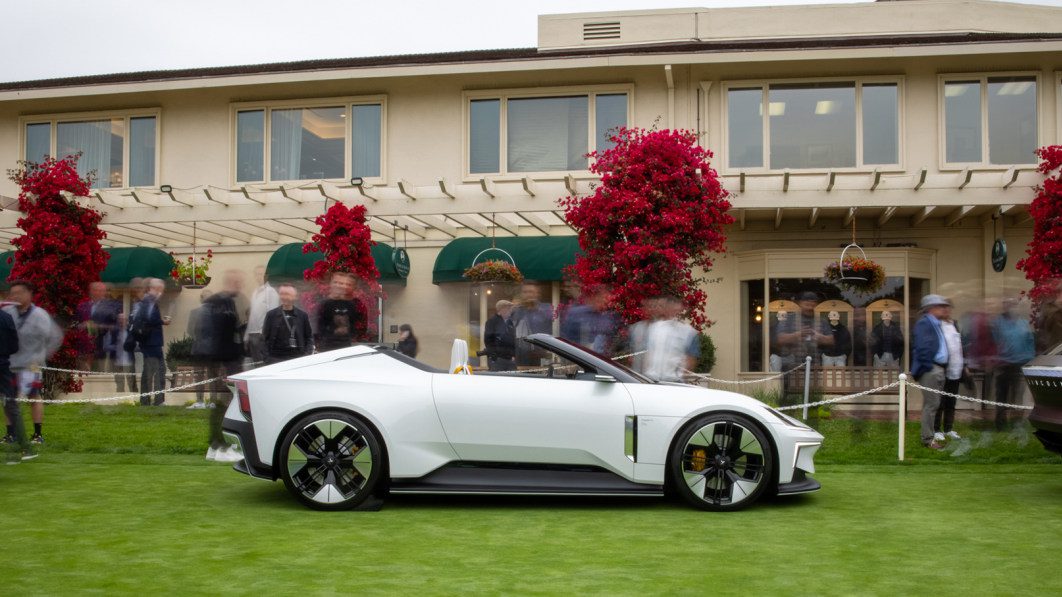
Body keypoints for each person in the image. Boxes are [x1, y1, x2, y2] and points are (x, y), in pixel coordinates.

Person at [2, 281, 62, 445]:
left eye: (20, 292)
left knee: (33, 397)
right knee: (9, 399)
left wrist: (41, 356)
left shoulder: (40, 315)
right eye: (13, 293)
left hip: (32, 365)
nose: (16, 296)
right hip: (10, 364)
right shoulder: (7, 313)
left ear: (30, 293)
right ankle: (10, 434)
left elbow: (55, 337)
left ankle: (37, 434)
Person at [194, 273, 244, 462]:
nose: (239, 285)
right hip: (221, 360)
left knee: (227, 403)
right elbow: (210, 334)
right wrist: (219, 363)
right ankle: (217, 445)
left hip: (228, 360)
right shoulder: (217, 303)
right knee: (223, 404)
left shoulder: (229, 303)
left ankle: (219, 444)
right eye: (237, 281)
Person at [911, 294, 952, 450]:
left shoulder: (936, 324)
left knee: (933, 404)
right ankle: (928, 439)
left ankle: (930, 436)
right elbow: (922, 348)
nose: (944, 309)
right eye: (941, 306)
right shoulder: (924, 323)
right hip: (931, 369)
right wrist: (929, 366)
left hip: (938, 368)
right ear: (932, 308)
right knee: (932, 404)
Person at [991, 297, 1035, 431]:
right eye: (1008, 304)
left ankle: (1017, 423)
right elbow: (994, 343)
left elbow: (1029, 342)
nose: (1011, 307)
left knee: (1018, 396)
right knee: (1001, 395)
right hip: (1003, 365)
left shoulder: (1023, 323)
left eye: (1014, 304)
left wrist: (1030, 360)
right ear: (1004, 306)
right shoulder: (997, 322)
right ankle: (1000, 423)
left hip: (1019, 365)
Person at [642, 295, 700, 382]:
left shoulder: (688, 332)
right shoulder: (653, 328)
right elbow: (647, 354)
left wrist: (681, 378)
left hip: (674, 382)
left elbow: (691, 360)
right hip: (651, 380)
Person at [131, 278, 170, 406]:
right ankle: (154, 401)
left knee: (154, 371)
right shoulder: (149, 301)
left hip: (151, 342)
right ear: (155, 288)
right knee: (155, 371)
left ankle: (149, 400)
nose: (161, 292)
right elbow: (148, 318)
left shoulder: (148, 301)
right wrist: (162, 321)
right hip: (151, 342)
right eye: (161, 289)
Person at [934, 310, 968, 442]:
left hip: (956, 368)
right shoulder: (937, 325)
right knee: (940, 402)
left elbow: (959, 345)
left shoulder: (955, 324)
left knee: (951, 402)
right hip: (943, 370)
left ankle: (948, 428)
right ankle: (936, 429)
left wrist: (964, 365)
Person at [262, 283, 313, 364]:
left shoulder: (302, 316)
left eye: (287, 294)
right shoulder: (271, 315)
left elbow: (309, 338)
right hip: (275, 359)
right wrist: (268, 359)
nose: (284, 297)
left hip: (297, 360)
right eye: (281, 294)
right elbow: (264, 339)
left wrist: (306, 357)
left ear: (295, 297)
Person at [0, 306, 27, 461]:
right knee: (11, 406)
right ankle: (24, 445)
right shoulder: (6, 318)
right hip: (4, 366)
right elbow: (14, 346)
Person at [316, 272, 367, 352]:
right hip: (327, 347)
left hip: (347, 346)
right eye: (337, 283)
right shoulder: (325, 304)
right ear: (331, 284)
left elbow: (360, 327)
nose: (341, 286)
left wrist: (350, 334)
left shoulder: (353, 305)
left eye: (346, 284)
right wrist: (333, 331)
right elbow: (319, 327)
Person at [560, 287, 619, 355]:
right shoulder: (576, 314)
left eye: (606, 299)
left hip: (599, 360)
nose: (605, 302)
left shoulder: (607, 317)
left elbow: (612, 340)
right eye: (602, 298)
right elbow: (566, 339)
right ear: (593, 298)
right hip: (578, 358)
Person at [76, 281, 120, 372]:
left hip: (101, 348)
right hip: (83, 349)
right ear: (90, 291)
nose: (97, 293)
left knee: (99, 376)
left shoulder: (111, 307)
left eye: (100, 291)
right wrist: (81, 325)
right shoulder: (82, 306)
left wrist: (99, 326)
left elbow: (117, 326)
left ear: (104, 292)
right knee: (82, 377)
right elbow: (74, 324)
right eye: (95, 290)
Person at [244, 266, 279, 365]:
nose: (259, 277)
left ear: (266, 276)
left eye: (261, 274)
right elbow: (252, 315)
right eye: (257, 274)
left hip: (262, 334)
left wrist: (266, 334)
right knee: (256, 364)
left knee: (263, 364)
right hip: (253, 334)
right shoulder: (255, 292)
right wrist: (247, 335)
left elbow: (272, 315)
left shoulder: (270, 292)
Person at [512, 282, 553, 366]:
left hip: (541, 353)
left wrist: (536, 307)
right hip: (521, 355)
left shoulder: (546, 308)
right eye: (525, 292)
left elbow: (553, 326)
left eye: (531, 292)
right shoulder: (517, 310)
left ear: (537, 293)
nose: (528, 295)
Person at [185, 290, 212, 409]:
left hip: (199, 347)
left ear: (201, 299)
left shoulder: (194, 312)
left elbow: (190, 330)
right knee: (212, 375)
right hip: (211, 348)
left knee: (200, 375)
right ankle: (212, 401)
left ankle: (200, 400)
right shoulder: (216, 313)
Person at [629, 297, 663, 374]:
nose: (650, 310)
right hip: (636, 374)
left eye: (653, 307)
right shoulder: (635, 328)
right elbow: (631, 354)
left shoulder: (662, 329)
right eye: (647, 307)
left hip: (654, 375)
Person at [107, 312, 137, 394]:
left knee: (132, 384)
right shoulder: (113, 332)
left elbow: (137, 346)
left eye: (123, 319)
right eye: (120, 319)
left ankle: (135, 402)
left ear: (126, 321)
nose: (121, 321)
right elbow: (106, 346)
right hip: (117, 362)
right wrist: (116, 347)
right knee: (119, 385)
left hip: (129, 362)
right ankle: (120, 403)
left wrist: (131, 346)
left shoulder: (130, 332)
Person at [484, 300, 516, 371]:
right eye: (509, 308)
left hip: (510, 360)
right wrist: (495, 356)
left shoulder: (510, 323)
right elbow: (488, 341)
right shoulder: (492, 321)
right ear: (502, 309)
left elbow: (512, 340)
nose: (511, 311)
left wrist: (513, 355)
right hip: (497, 360)